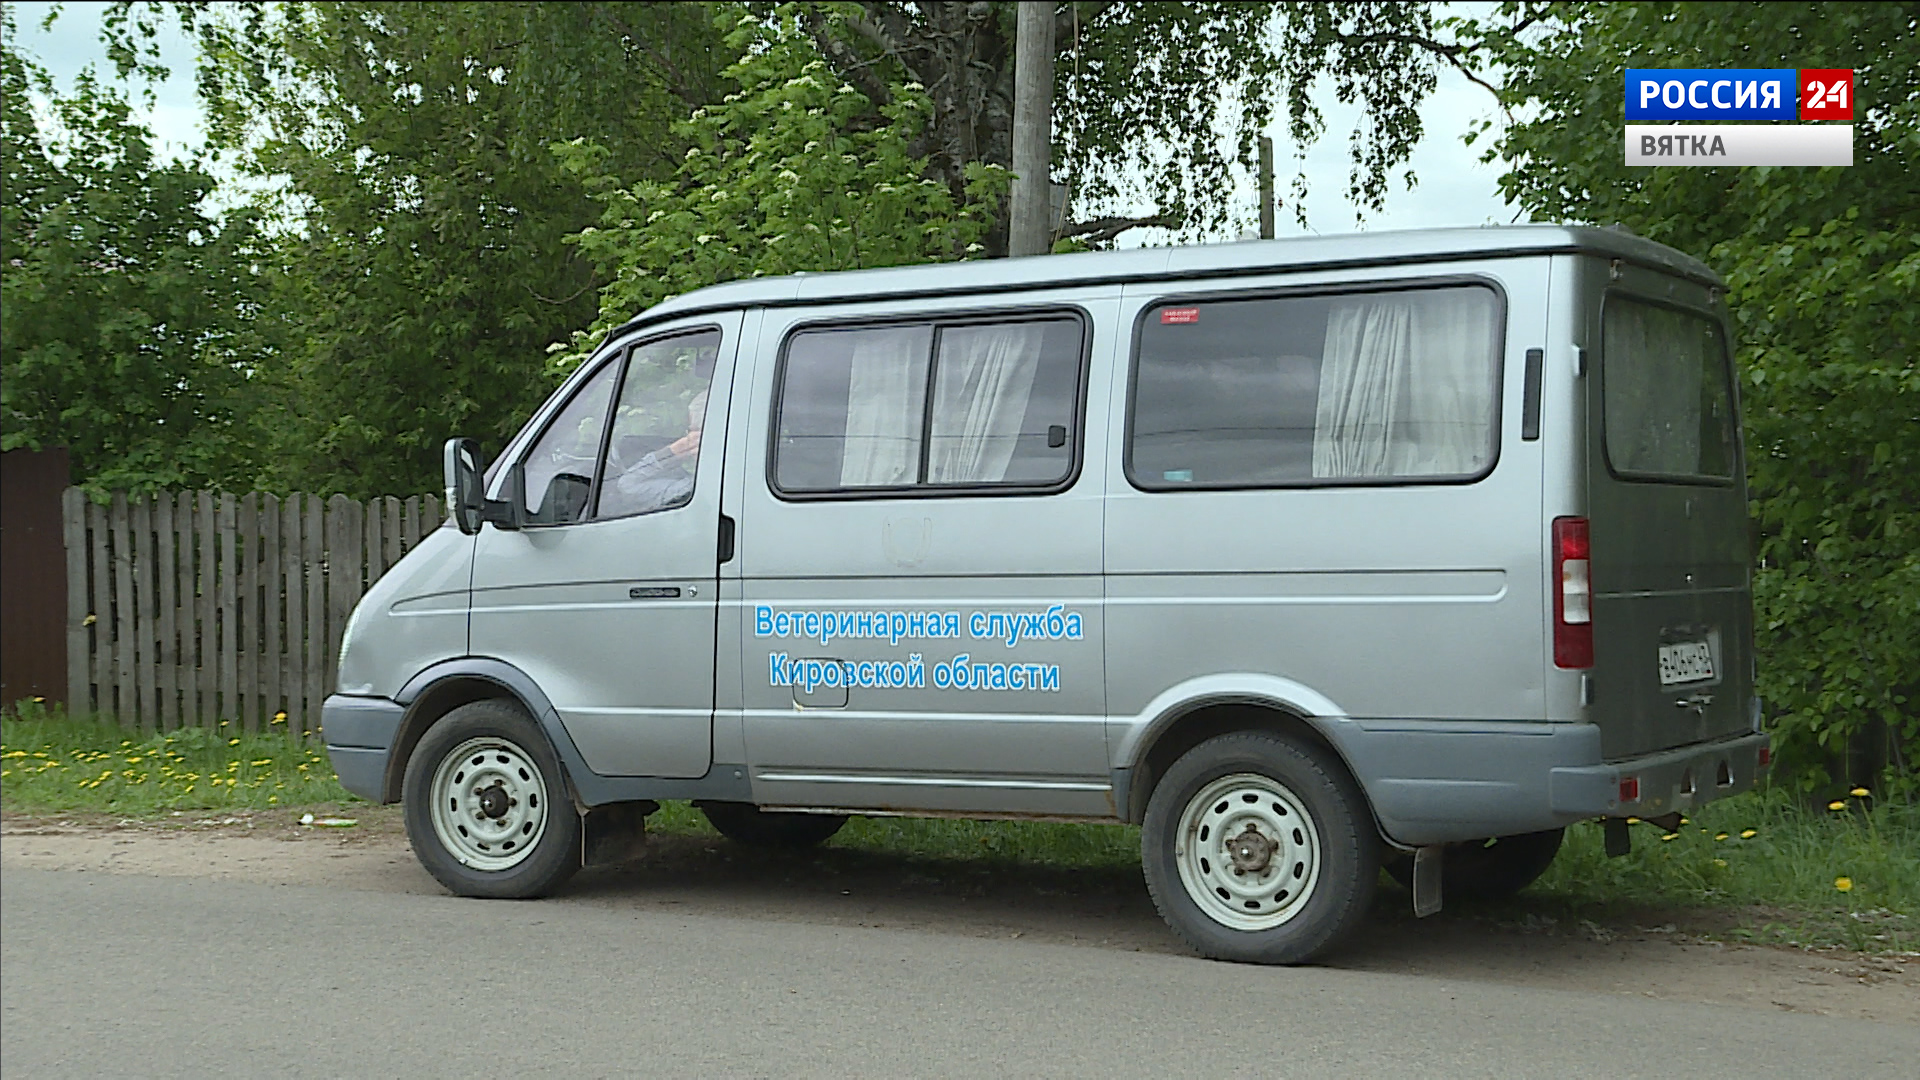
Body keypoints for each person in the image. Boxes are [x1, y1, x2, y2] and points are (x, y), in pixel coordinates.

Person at [601, 389, 706, 517]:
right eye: (690, 433)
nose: (691, 439)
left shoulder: (689, 489)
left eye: (697, 433)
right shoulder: (688, 484)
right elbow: (627, 485)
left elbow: (629, 485)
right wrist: (676, 451)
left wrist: (673, 452)